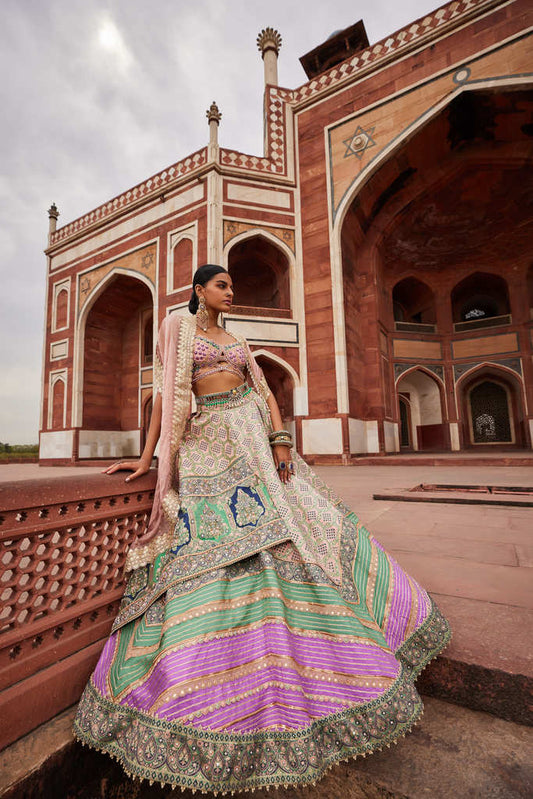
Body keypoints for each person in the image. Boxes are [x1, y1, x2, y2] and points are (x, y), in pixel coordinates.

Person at [74, 264, 451, 794]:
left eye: (233, 284)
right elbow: (165, 396)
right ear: (199, 291)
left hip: (252, 436)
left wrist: (279, 441)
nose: (232, 291)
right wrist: (146, 460)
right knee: (215, 539)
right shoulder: (177, 330)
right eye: (223, 285)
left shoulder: (237, 338)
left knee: (300, 524)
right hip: (208, 442)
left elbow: (266, 391)